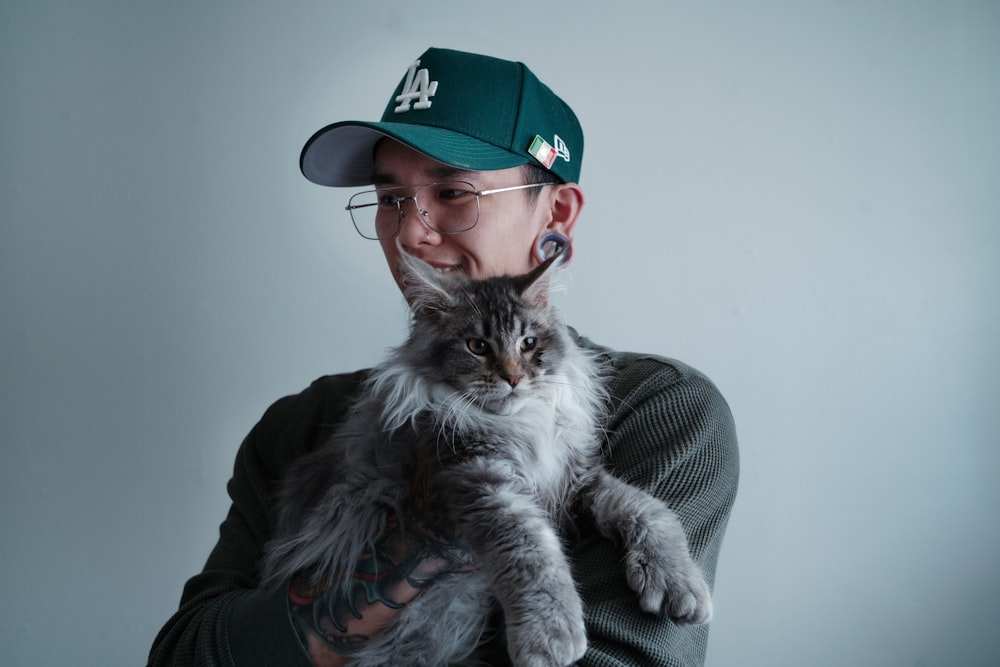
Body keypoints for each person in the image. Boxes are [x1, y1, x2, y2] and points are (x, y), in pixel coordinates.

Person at [148, 47, 739, 667]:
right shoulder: (299, 424)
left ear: (557, 216)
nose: (408, 232)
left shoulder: (662, 410)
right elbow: (187, 655)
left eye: (454, 191)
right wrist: (431, 520)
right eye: (391, 199)